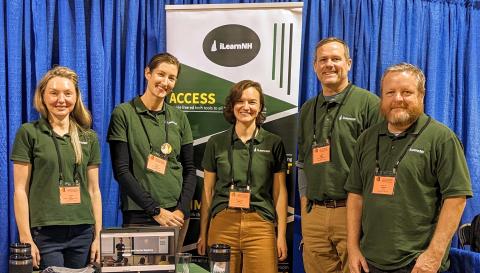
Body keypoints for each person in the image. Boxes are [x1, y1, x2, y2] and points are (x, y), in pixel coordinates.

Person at [345, 63, 473, 273]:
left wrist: (434, 256)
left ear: (421, 96)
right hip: (368, 262)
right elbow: (355, 195)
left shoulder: (441, 139)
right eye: (390, 92)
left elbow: (456, 198)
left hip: (417, 264)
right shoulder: (366, 139)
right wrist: (352, 248)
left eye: (406, 92)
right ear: (382, 97)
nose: (397, 99)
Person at [297, 37, 381, 273]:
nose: (329, 64)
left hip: (353, 213)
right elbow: (302, 163)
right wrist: (305, 208)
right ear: (314, 66)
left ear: (349, 63)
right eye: (323, 60)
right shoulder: (307, 109)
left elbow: (380, 164)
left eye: (336, 58)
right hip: (314, 214)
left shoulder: (369, 104)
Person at [11, 66, 102, 269]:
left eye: (68, 93)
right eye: (54, 93)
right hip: (45, 234)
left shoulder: (89, 137)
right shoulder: (29, 133)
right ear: (42, 96)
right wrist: (26, 237)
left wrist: (98, 236)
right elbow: (20, 190)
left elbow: (94, 191)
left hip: (83, 232)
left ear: (76, 97)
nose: (61, 99)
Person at [197, 80, 288, 273]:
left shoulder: (274, 143)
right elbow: (207, 190)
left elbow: (280, 191)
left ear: (261, 107)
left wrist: (281, 235)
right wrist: (203, 233)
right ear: (232, 106)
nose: (246, 107)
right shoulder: (216, 142)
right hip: (223, 223)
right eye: (240, 101)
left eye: (252, 102)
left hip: (260, 225)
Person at [108, 52, 196, 251]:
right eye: (161, 74)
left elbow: (190, 169)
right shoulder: (123, 113)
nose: (165, 82)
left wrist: (181, 210)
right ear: (148, 73)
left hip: (176, 216)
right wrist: (155, 210)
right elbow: (121, 171)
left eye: (171, 78)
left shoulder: (179, 117)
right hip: (140, 213)